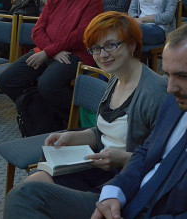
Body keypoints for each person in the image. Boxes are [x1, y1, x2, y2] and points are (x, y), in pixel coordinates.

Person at [3, 23, 187, 219]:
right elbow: (145, 154)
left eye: (183, 76)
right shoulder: (179, 99)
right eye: (168, 74)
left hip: (152, 212)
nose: (170, 87)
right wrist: (113, 194)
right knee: (26, 196)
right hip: (126, 200)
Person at [23, 12, 168, 191]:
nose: (103, 55)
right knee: (33, 183)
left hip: (124, 180)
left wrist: (122, 158)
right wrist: (74, 137)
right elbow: (107, 132)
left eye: (111, 45)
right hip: (101, 165)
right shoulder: (116, 78)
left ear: (132, 45)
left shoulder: (155, 93)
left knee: (32, 192)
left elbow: (164, 159)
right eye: (96, 48)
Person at [0, 0, 104, 130]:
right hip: (48, 51)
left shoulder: (93, 0)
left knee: (47, 84)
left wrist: (48, 52)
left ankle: (74, 121)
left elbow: (80, 36)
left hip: (76, 54)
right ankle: (43, 116)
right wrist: (51, 51)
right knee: (7, 80)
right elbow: (37, 30)